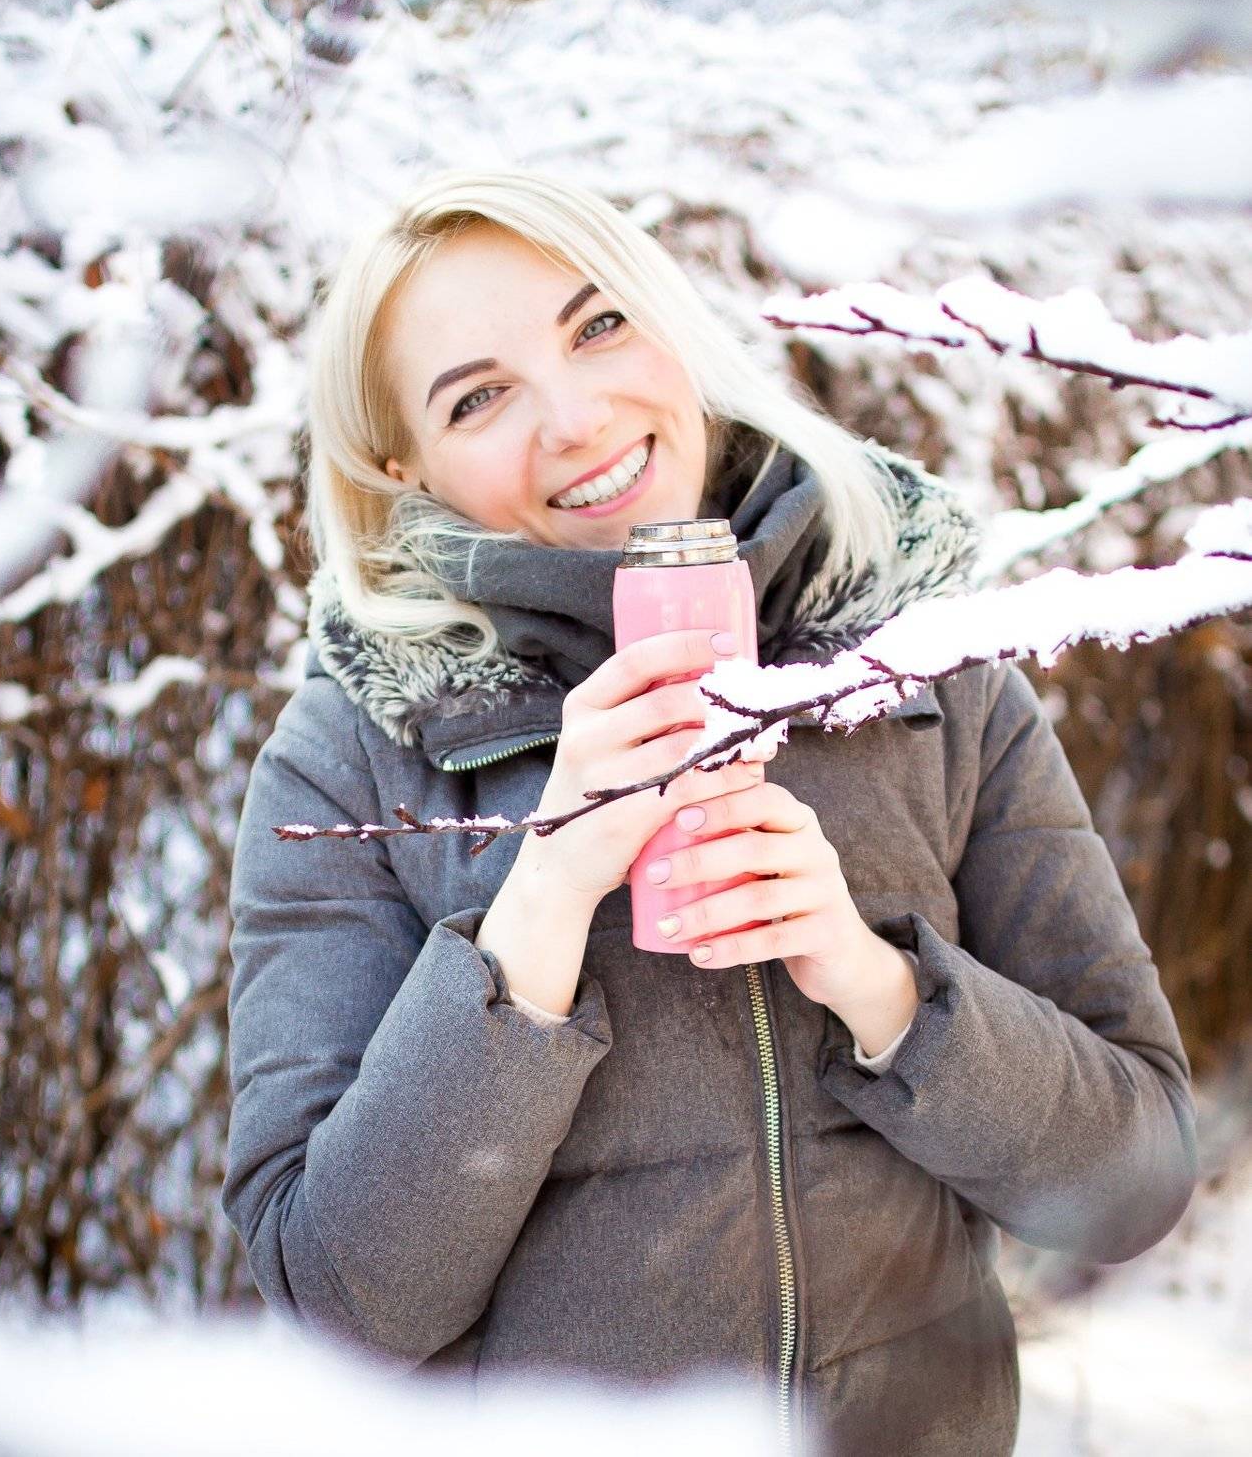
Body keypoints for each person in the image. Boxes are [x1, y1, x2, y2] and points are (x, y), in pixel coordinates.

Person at [221, 167, 1198, 1457]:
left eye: (598, 325)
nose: (575, 418)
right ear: (405, 467)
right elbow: (341, 1304)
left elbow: (1134, 1184)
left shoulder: (923, 673)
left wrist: (880, 988)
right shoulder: (354, 756)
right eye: (478, 397)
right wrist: (542, 901)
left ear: (670, 320)